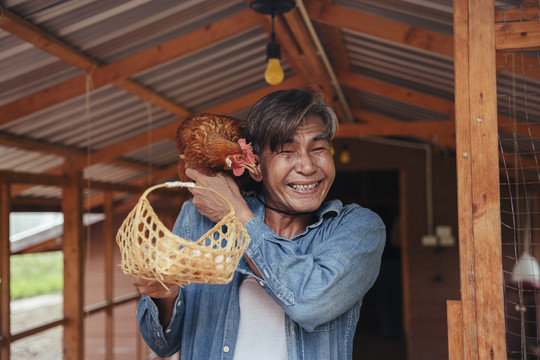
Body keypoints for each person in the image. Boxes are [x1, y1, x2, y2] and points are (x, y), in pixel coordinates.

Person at [134, 88, 386, 359]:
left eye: (319, 148)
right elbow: (162, 345)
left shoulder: (358, 229)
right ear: (257, 166)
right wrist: (166, 297)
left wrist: (237, 215)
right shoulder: (198, 218)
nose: (307, 166)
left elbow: (309, 302)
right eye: (287, 151)